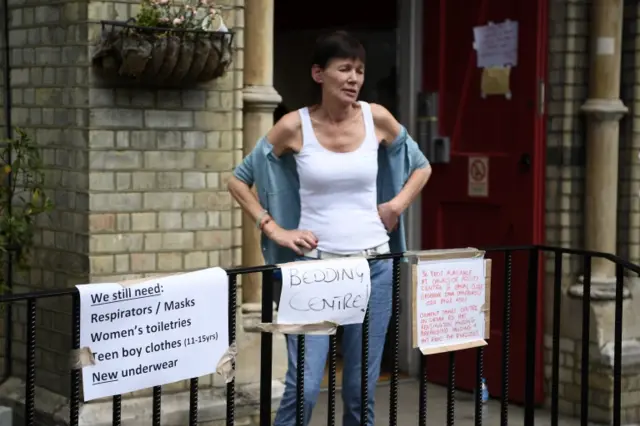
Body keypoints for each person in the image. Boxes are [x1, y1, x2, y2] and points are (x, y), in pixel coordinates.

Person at [228, 30, 432, 426]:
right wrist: (274, 228)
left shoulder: (377, 118)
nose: (354, 78)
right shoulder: (293, 126)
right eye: (344, 69)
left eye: (359, 70)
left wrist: (395, 206)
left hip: (373, 267)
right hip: (314, 271)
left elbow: (421, 167)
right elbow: (239, 180)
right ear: (319, 74)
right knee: (303, 387)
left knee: (359, 389)